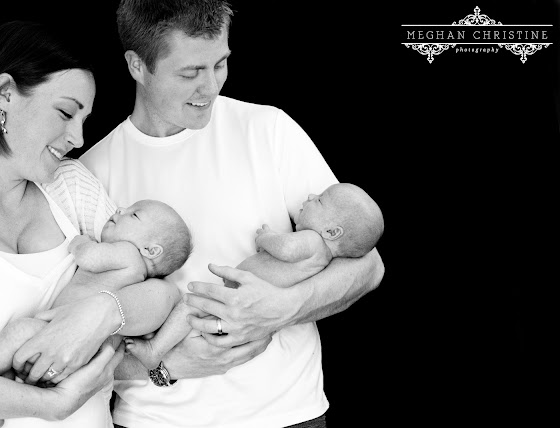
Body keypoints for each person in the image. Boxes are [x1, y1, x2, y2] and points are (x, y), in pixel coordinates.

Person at [78, 1, 385, 427]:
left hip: (288, 416)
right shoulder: (91, 175)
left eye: (219, 64)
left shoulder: (267, 129)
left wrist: (284, 307)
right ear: (137, 66)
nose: (210, 88)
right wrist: (167, 367)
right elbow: (74, 333)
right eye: (190, 72)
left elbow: (366, 264)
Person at [0, 20, 181, 428]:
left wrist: (100, 313)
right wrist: (46, 404)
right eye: (65, 113)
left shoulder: (70, 185)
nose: (78, 138)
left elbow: (160, 292)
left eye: (84, 120)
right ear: (5, 94)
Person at [125, 183, 384, 370]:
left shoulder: (313, 242)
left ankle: (154, 350)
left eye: (319, 201)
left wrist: (266, 238)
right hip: (243, 308)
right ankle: (159, 343)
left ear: (332, 232)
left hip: (237, 300)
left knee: (189, 305)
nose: (310, 195)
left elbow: (286, 249)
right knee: (193, 321)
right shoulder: (321, 258)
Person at [0, 199, 190, 397]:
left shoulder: (128, 254)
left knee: (18, 332)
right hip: (85, 354)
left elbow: (88, 258)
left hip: (61, 336)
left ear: (150, 250)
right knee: (16, 364)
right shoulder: (140, 280)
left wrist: (80, 242)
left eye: (134, 214)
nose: (120, 210)